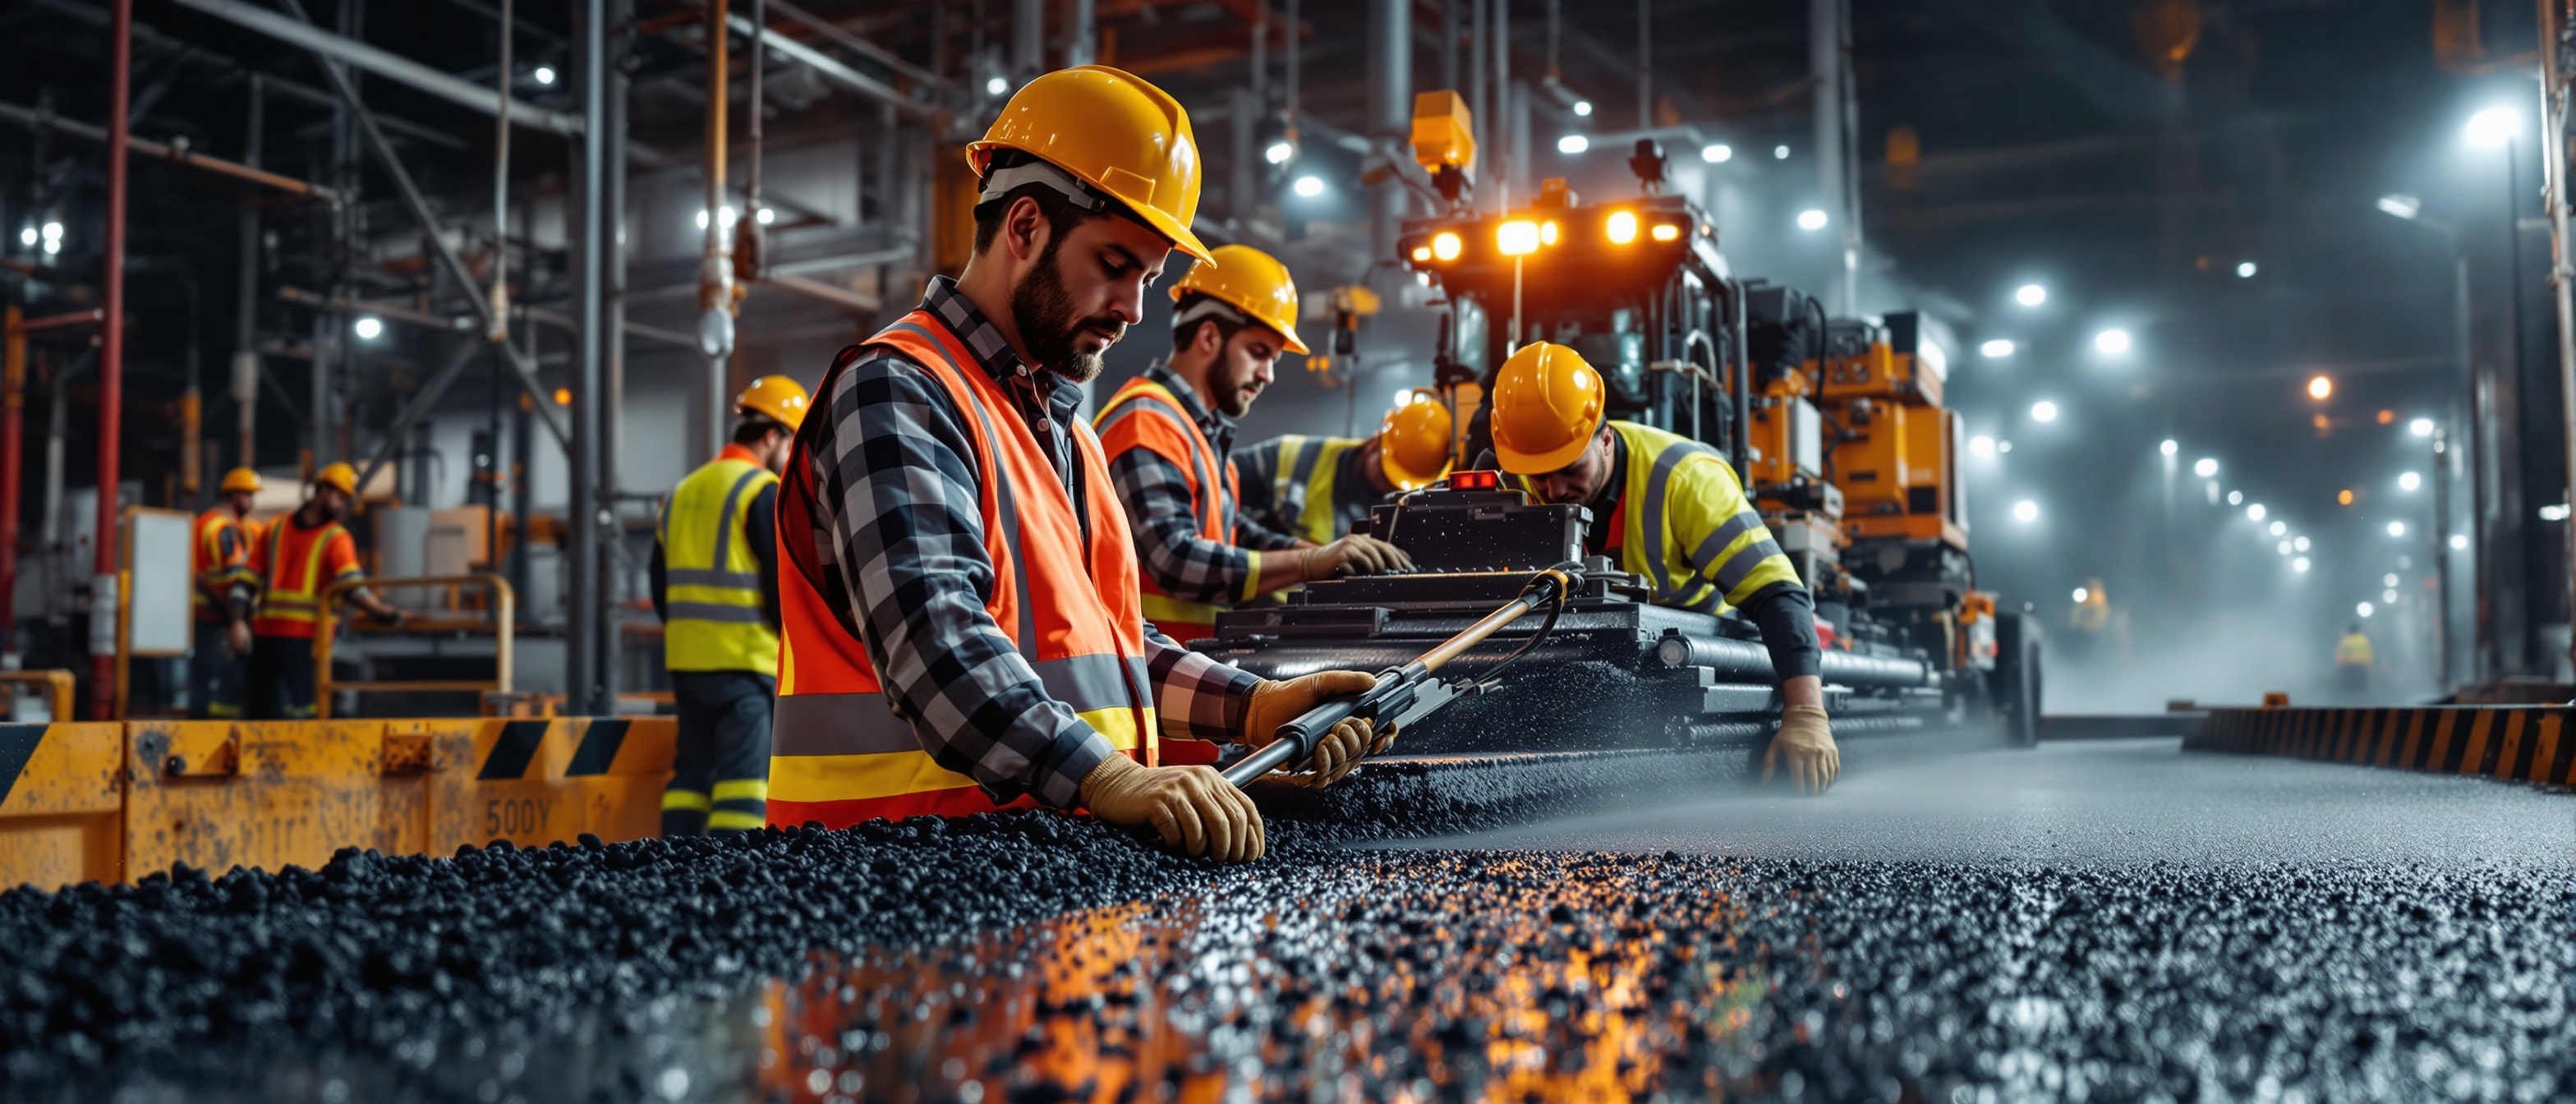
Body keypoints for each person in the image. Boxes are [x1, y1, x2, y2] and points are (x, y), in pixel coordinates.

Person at [763, 65, 1387, 863]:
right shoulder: (897, 388)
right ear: (1023, 228)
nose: (1133, 310)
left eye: (1150, 279)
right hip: (889, 881)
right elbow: (935, 643)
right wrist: (1102, 776)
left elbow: (1105, 650)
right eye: (1115, 265)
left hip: (1032, 874)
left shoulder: (1064, 431)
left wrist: (1254, 705)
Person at [1482, 342, 1840, 794]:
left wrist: (1807, 713)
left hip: (1681, 660)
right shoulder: (1516, 473)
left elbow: (1776, 593)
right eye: (1539, 476)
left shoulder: (1686, 480)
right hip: (1577, 659)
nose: (1553, 490)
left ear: (1605, 439)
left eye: (1569, 469)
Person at [1095, 243, 1410, 640]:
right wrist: (1309, 563)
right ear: (1209, 336)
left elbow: (1232, 533)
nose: (1268, 376)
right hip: (1149, 670)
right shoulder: (1146, 422)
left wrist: (1318, 551)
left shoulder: (1198, 433)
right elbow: (1175, 559)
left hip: (1183, 671)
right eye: (1259, 353)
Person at [650, 375, 807, 836]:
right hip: (744, 664)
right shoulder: (759, 491)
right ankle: (729, 884)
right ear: (772, 435)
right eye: (792, 440)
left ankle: (670, 869)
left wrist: (690, 634)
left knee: (691, 775)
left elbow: (660, 585)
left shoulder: (681, 491)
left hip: (687, 662)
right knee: (743, 783)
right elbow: (779, 588)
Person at [233, 462, 407, 720]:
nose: (342, 505)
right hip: (270, 638)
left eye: (346, 500)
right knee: (262, 714)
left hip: (305, 641)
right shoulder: (277, 529)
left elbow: (352, 588)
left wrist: (381, 611)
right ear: (322, 490)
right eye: (339, 497)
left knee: (298, 714)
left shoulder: (333, 537)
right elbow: (245, 582)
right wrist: (237, 622)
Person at [1235, 394, 1454, 545]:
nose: (1391, 488)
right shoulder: (1292, 457)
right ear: (1372, 444)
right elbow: (1218, 486)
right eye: (1387, 475)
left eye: (1400, 484)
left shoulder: (1407, 509)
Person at [189, 467, 264, 719]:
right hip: (217, 614)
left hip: (201, 614)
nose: (251, 502)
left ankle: (198, 725)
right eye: (247, 495)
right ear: (232, 495)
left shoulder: (204, 521)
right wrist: (238, 618)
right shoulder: (224, 529)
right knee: (223, 683)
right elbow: (235, 580)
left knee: (201, 681)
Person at [2334, 623, 2374, 701]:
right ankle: (2362, 695)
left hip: (2348, 665)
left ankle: (2348, 696)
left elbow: (2339, 653)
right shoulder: (2364, 639)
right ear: (2358, 630)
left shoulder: (2345, 640)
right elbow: (2369, 652)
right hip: (2361, 665)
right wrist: (2369, 665)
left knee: (2348, 681)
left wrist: (2338, 665)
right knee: (2361, 680)